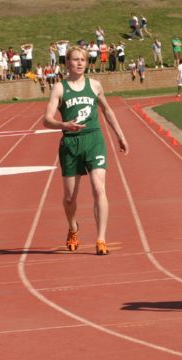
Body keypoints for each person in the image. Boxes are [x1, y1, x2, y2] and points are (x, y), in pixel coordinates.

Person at [42, 46, 129, 256]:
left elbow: (107, 109)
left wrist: (120, 135)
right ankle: (73, 228)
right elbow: (46, 119)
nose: (80, 63)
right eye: (75, 59)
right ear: (67, 63)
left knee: (99, 189)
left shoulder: (95, 85)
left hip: (94, 140)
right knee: (70, 198)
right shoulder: (60, 88)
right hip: (71, 143)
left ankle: (101, 239)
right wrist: (64, 125)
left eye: (83, 59)